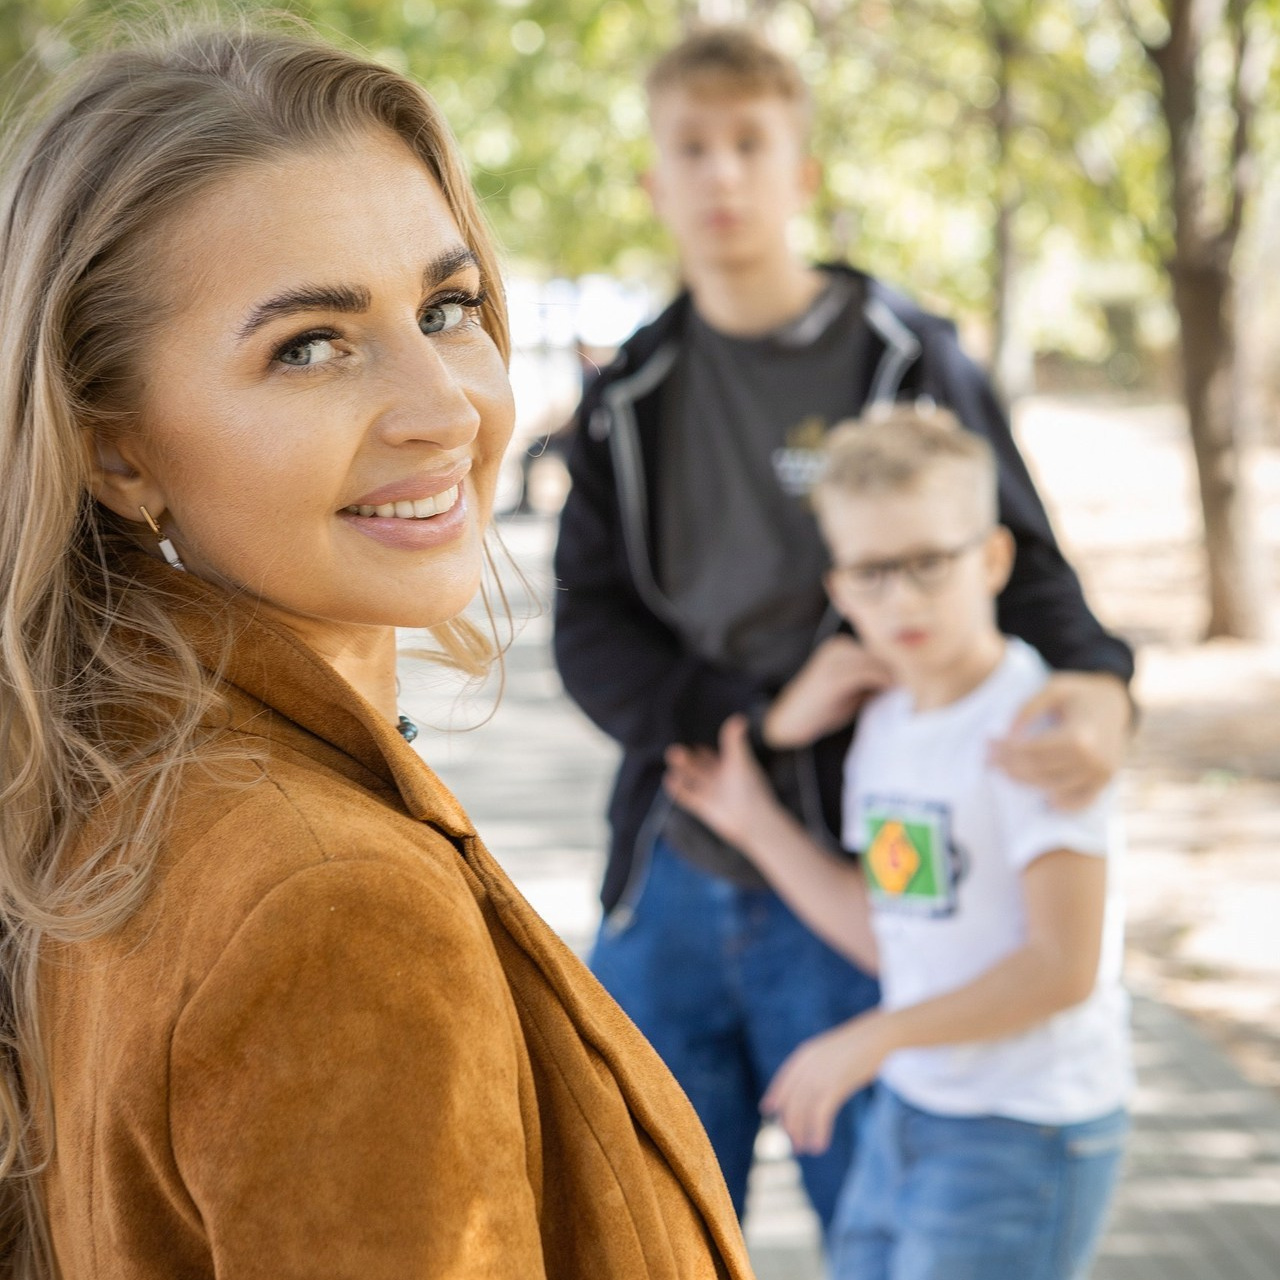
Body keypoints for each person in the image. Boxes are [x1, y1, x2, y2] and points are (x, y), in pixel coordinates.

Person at [0, 23, 754, 1279]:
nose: (446, 405)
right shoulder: (330, 903)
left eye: (447, 307)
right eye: (311, 344)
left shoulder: (99, 787)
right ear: (115, 449)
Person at [552, 24, 1134, 1230]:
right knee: (642, 1222)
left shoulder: (904, 356)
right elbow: (588, 632)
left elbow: (1019, 564)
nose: (720, 175)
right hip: (684, 849)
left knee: (873, 1231)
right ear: (654, 183)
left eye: (748, 145)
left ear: (799, 173)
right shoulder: (627, 396)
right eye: (691, 149)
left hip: (857, 873)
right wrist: (752, 716)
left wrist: (1101, 686)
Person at [665, 408, 1131, 1279]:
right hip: (911, 1113)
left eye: (928, 564)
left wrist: (870, 1038)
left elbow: (1066, 966)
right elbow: (893, 930)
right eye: (873, 574)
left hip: (1023, 1132)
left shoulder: (1040, 725)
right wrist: (756, 824)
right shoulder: (882, 728)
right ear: (839, 592)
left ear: (992, 558)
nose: (902, 599)